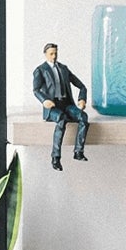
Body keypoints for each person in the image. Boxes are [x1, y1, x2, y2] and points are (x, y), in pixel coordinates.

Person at [32, 42, 89, 170]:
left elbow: (81, 86)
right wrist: (44, 100)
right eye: (51, 54)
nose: (54, 56)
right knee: (62, 120)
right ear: (45, 54)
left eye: (55, 53)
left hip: (66, 104)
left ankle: (78, 151)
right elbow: (36, 90)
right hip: (53, 106)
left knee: (83, 117)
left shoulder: (64, 69)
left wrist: (82, 99)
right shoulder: (41, 70)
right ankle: (56, 157)